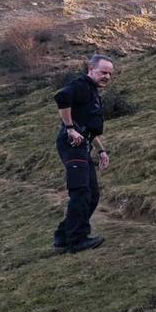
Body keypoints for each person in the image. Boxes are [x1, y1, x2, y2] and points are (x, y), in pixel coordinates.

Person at [53, 54, 115, 253]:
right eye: (103, 72)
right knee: (81, 191)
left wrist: (101, 150)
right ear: (91, 69)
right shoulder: (81, 85)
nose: (107, 76)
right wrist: (70, 128)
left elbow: (88, 128)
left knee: (92, 194)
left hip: (83, 144)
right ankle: (77, 240)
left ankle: (64, 237)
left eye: (110, 74)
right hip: (72, 144)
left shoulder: (92, 91)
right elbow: (61, 97)